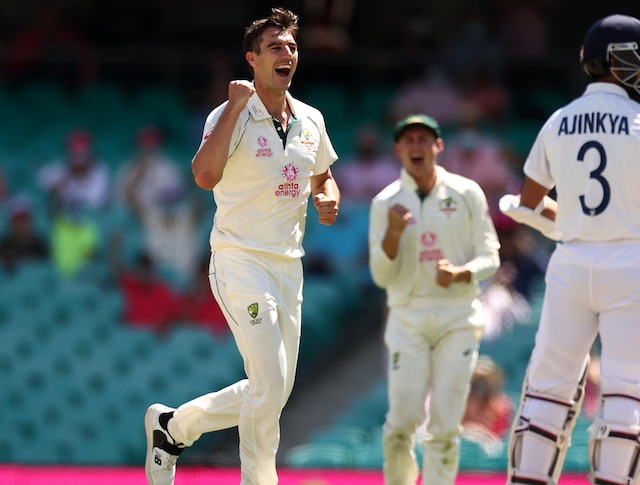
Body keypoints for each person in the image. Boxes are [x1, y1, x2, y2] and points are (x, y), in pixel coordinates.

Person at [144, 8, 341, 485]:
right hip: (239, 259)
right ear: (252, 59)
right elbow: (204, 176)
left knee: (272, 389)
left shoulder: (310, 119)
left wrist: (327, 198)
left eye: (291, 46)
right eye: (275, 46)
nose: (287, 53)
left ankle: (172, 428)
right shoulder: (229, 113)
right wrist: (233, 105)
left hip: (288, 265)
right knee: (269, 385)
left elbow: (324, 176)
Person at [498, 14, 640, 485]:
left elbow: (531, 200)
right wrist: (632, 203)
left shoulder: (558, 121)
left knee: (549, 385)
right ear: (617, 59)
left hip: (572, 263)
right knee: (627, 389)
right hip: (633, 264)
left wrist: (584, 218)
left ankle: (529, 479)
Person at [368, 113, 501, 485]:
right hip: (408, 317)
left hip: (457, 316)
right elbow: (381, 274)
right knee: (401, 424)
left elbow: (491, 256)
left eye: (424, 139)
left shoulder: (466, 193)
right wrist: (393, 233)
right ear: (397, 149)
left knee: (444, 424)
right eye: (408, 140)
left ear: (438, 146)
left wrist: (461, 272)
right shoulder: (385, 202)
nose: (416, 146)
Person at [0, 196, 49, 272]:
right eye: (16, 220)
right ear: (10, 223)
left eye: (24, 219)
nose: (21, 224)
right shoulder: (4, 247)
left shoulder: (40, 246)